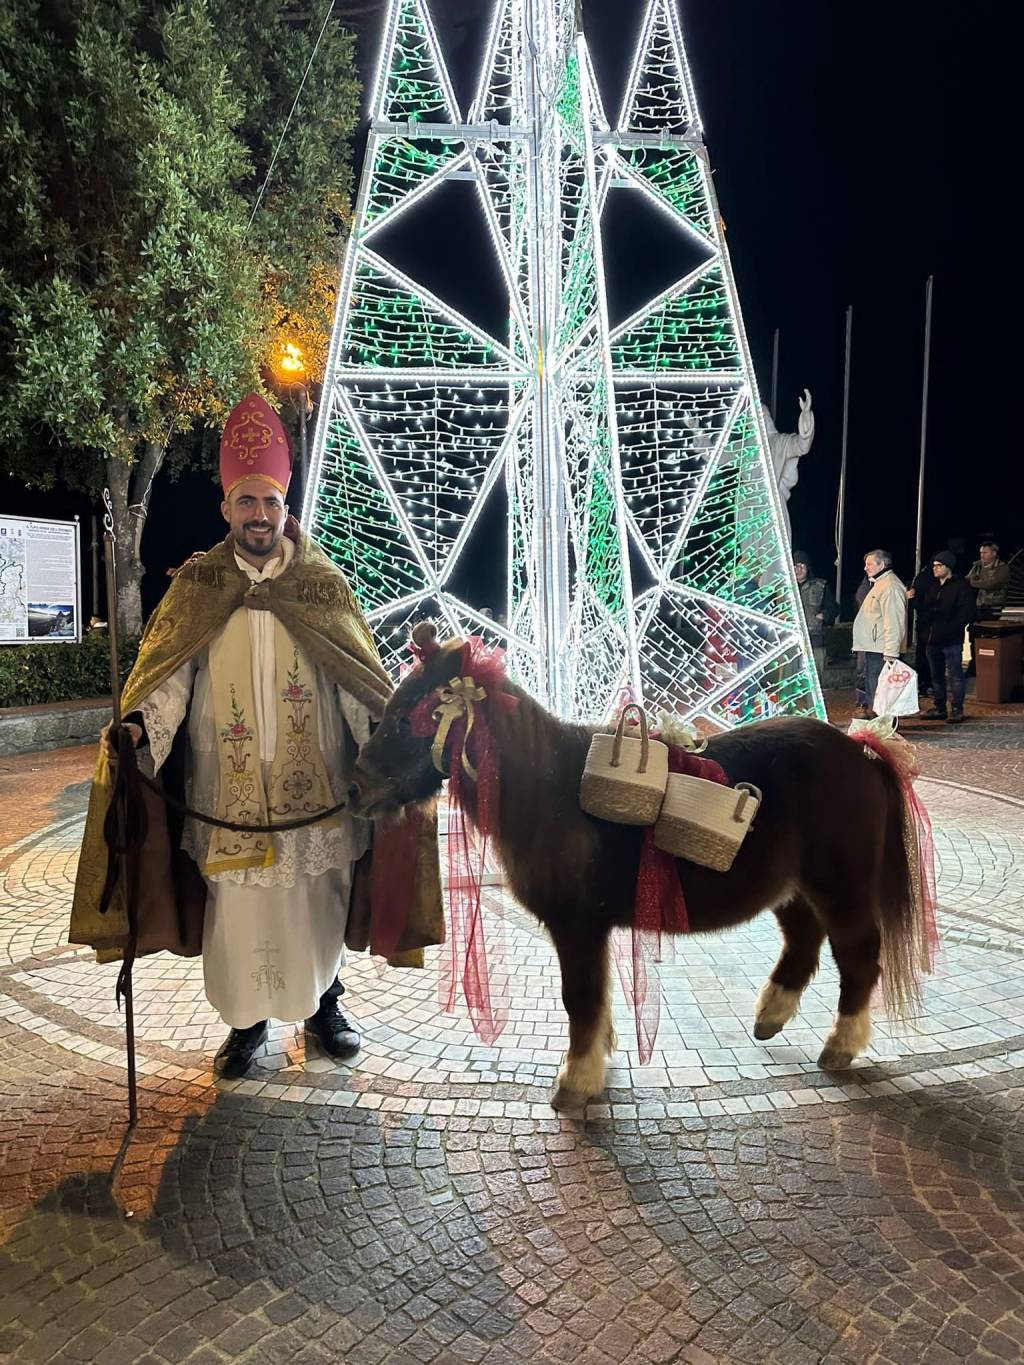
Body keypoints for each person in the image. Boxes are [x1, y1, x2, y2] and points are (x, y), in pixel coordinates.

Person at [70, 393, 443, 1079]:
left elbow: (355, 680)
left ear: (284, 505)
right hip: (229, 795)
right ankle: (246, 1026)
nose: (260, 516)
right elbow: (171, 678)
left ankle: (324, 1005)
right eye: (247, 502)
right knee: (239, 917)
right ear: (227, 510)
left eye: (270, 502)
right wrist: (138, 728)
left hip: (317, 795)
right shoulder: (200, 587)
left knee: (317, 904)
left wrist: (394, 737)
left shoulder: (321, 585)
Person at [851, 549, 907, 719]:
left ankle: (885, 723)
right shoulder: (880, 584)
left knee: (881, 688)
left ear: (881, 564)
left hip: (882, 649)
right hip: (874, 646)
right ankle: (878, 720)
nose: (865, 568)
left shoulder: (890, 586)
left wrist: (891, 652)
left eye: (869, 564)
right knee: (873, 686)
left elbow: (894, 621)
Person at [922, 551, 975, 724]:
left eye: (939, 566)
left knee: (955, 675)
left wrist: (952, 628)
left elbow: (966, 612)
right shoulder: (933, 586)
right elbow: (925, 608)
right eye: (934, 566)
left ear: (948, 567)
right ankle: (940, 707)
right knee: (936, 675)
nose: (935, 569)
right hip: (933, 638)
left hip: (951, 638)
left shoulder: (960, 586)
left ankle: (957, 708)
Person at [792, 551, 838, 676]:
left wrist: (823, 615)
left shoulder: (820, 586)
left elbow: (834, 608)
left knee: (814, 679)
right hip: (790, 642)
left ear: (808, 568)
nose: (798, 569)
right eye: (795, 565)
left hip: (815, 640)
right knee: (792, 681)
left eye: (802, 565)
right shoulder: (785, 588)